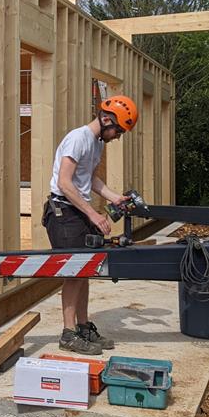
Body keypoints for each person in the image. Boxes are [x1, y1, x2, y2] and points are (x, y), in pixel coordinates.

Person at [42, 95, 138, 355]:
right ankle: (68, 333)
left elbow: (90, 179)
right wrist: (94, 215)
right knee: (73, 273)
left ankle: (83, 327)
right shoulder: (78, 138)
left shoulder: (96, 144)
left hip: (77, 212)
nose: (117, 136)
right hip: (62, 211)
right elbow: (65, 182)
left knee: (85, 271)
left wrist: (115, 197)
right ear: (106, 119)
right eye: (117, 130)